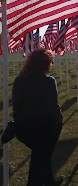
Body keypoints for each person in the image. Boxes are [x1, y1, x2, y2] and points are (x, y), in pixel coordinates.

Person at [12, 49, 63, 186]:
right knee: (42, 155)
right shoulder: (48, 81)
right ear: (44, 64)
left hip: (22, 129)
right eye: (50, 62)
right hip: (43, 129)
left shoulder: (19, 80)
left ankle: (49, 180)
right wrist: (58, 123)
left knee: (41, 155)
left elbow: (16, 105)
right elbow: (53, 108)